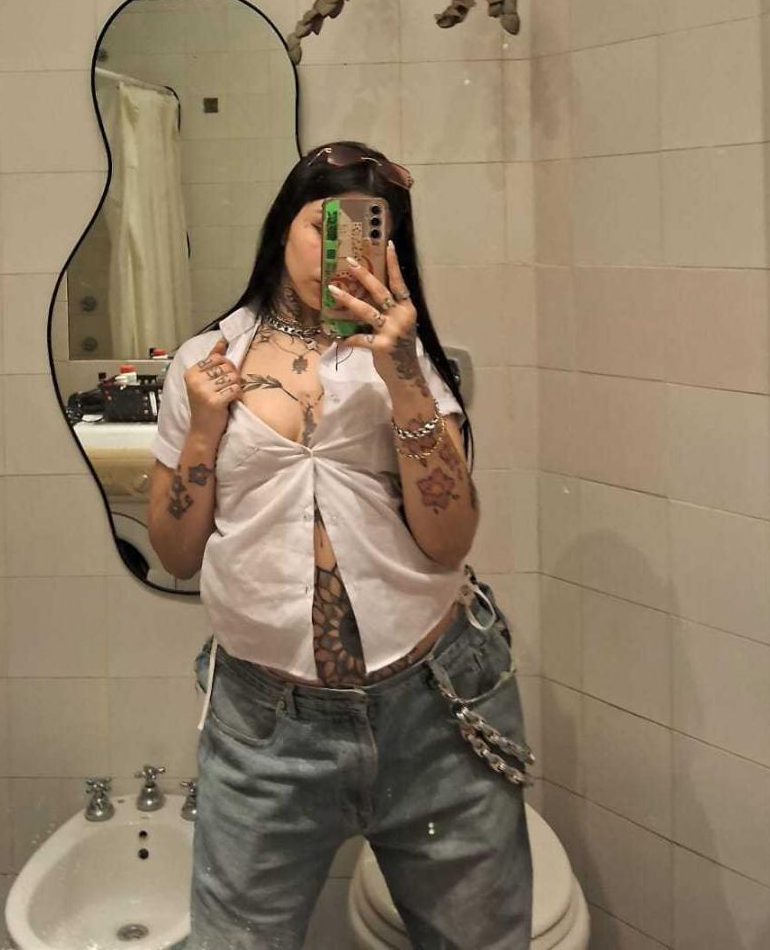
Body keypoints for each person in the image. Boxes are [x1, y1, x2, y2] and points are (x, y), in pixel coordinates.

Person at [149, 141, 533, 950]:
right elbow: (176, 554)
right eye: (321, 227)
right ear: (280, 228)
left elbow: (449, 540)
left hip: (436, 706)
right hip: (266, 729)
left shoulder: (407, 359)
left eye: (364, 232)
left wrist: (402, 374)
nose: (339, 253)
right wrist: (204, 429)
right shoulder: (205, 361)